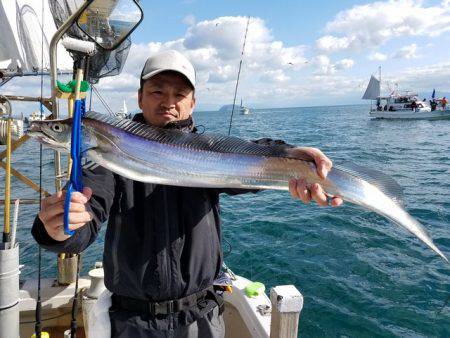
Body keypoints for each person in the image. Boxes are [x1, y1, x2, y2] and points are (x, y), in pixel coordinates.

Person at [32, 50, 343, 338]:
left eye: (180, 94)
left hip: (202, 317)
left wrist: (291, 158)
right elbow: (87, 213)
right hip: (133, 323)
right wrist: (58, 230)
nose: (169, 101)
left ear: (192, 102)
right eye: (157, 91)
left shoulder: (206, 152)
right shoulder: (110, 157)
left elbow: (248, 165)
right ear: (140, 98)